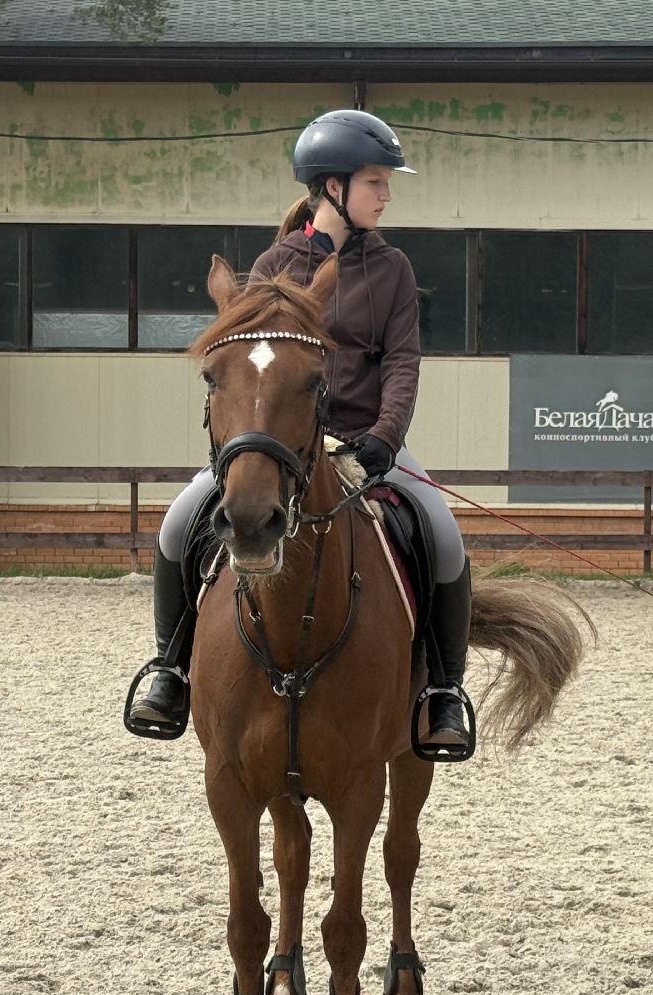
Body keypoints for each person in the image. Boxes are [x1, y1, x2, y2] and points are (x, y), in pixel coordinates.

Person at [128, 109, 474, 753]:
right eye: (377, 181)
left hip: (370, 445)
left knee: (442, 535)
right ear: (333, 187)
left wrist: (384, 438)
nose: (387, 195)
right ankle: (170, 671)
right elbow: (257, 367)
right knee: (178, 524)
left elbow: (402, 361)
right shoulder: (275, 263)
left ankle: (443, 691)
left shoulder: (393, 268)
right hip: (280, 444)